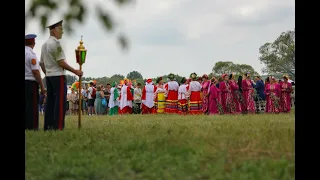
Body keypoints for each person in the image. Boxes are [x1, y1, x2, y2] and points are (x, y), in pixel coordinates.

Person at [40, 20, 83, 130]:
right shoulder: (56, 44)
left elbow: (41, 63)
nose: (62, 32)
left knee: (50, 102)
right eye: (60, 29)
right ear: (53, 31)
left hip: (49, 76)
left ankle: (48, 125)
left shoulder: (44, 45)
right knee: (59, 102)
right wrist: (76, 71)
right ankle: (58, 126)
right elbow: (61, 62)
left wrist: (47, 73)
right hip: (58, 76)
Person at [25, 34, 45, 130]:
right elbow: (35, 71)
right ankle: (32, 126)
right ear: (33, 43)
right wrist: (42, 85)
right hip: (30, 83)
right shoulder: (31, 54)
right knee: (32, 106)